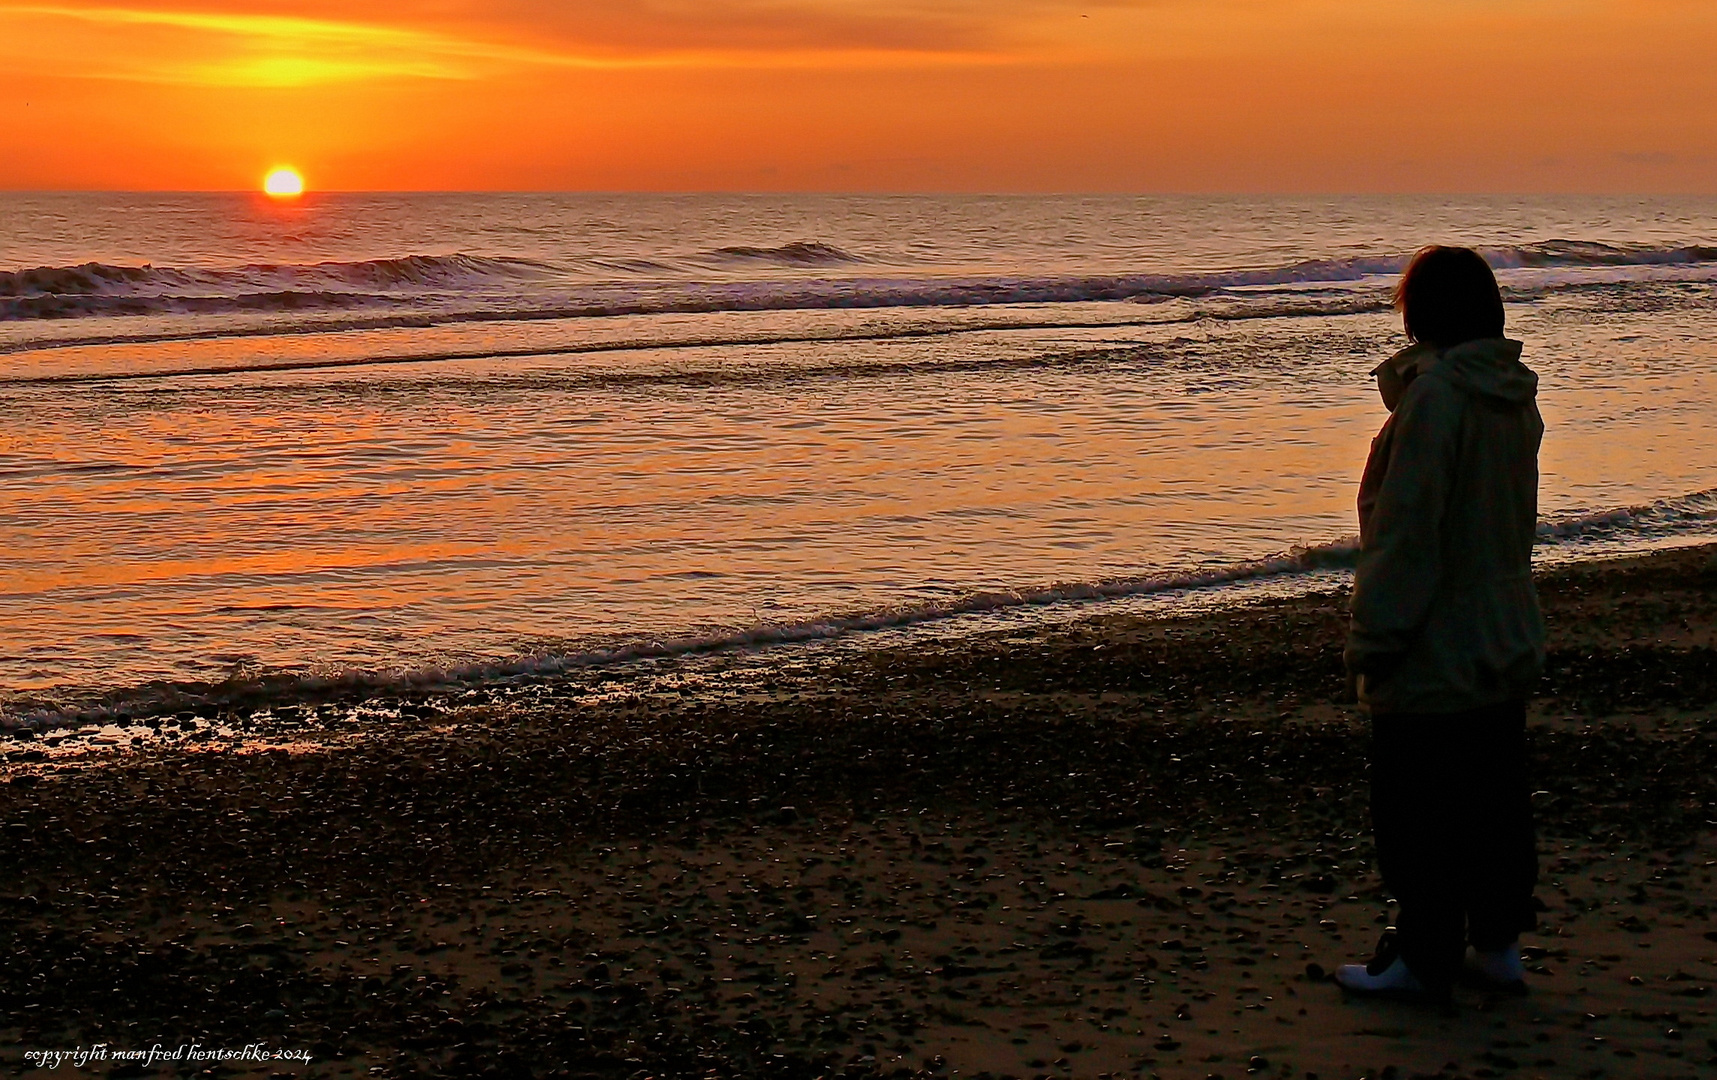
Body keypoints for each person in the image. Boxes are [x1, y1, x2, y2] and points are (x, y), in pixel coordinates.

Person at [1334, 245, 1546, 1004]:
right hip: (1500, 627)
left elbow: (1407, 535)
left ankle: (1423, 956)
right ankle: (1494, 945)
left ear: (1421, 315)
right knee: (1490, 796)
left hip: (1435, 640)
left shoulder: (1439, 399)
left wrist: (1375, 638)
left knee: (1416, 805)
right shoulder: (1511, 394)